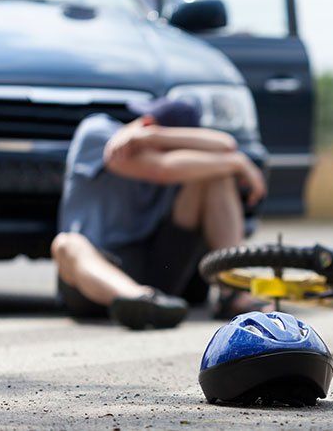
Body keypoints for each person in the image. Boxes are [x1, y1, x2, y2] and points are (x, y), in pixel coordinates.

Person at [51, 97, 268, 330]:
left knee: (217, 173)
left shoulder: (166, 148)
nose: (141, 123)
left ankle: (232, 292)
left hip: (155, 271)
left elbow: (227, 145)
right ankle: (139, 301)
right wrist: (237, 163)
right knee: (67, 243)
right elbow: (161, 169)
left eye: (150, 122)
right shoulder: (98, 134)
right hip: (91, 280)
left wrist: (154, 136)